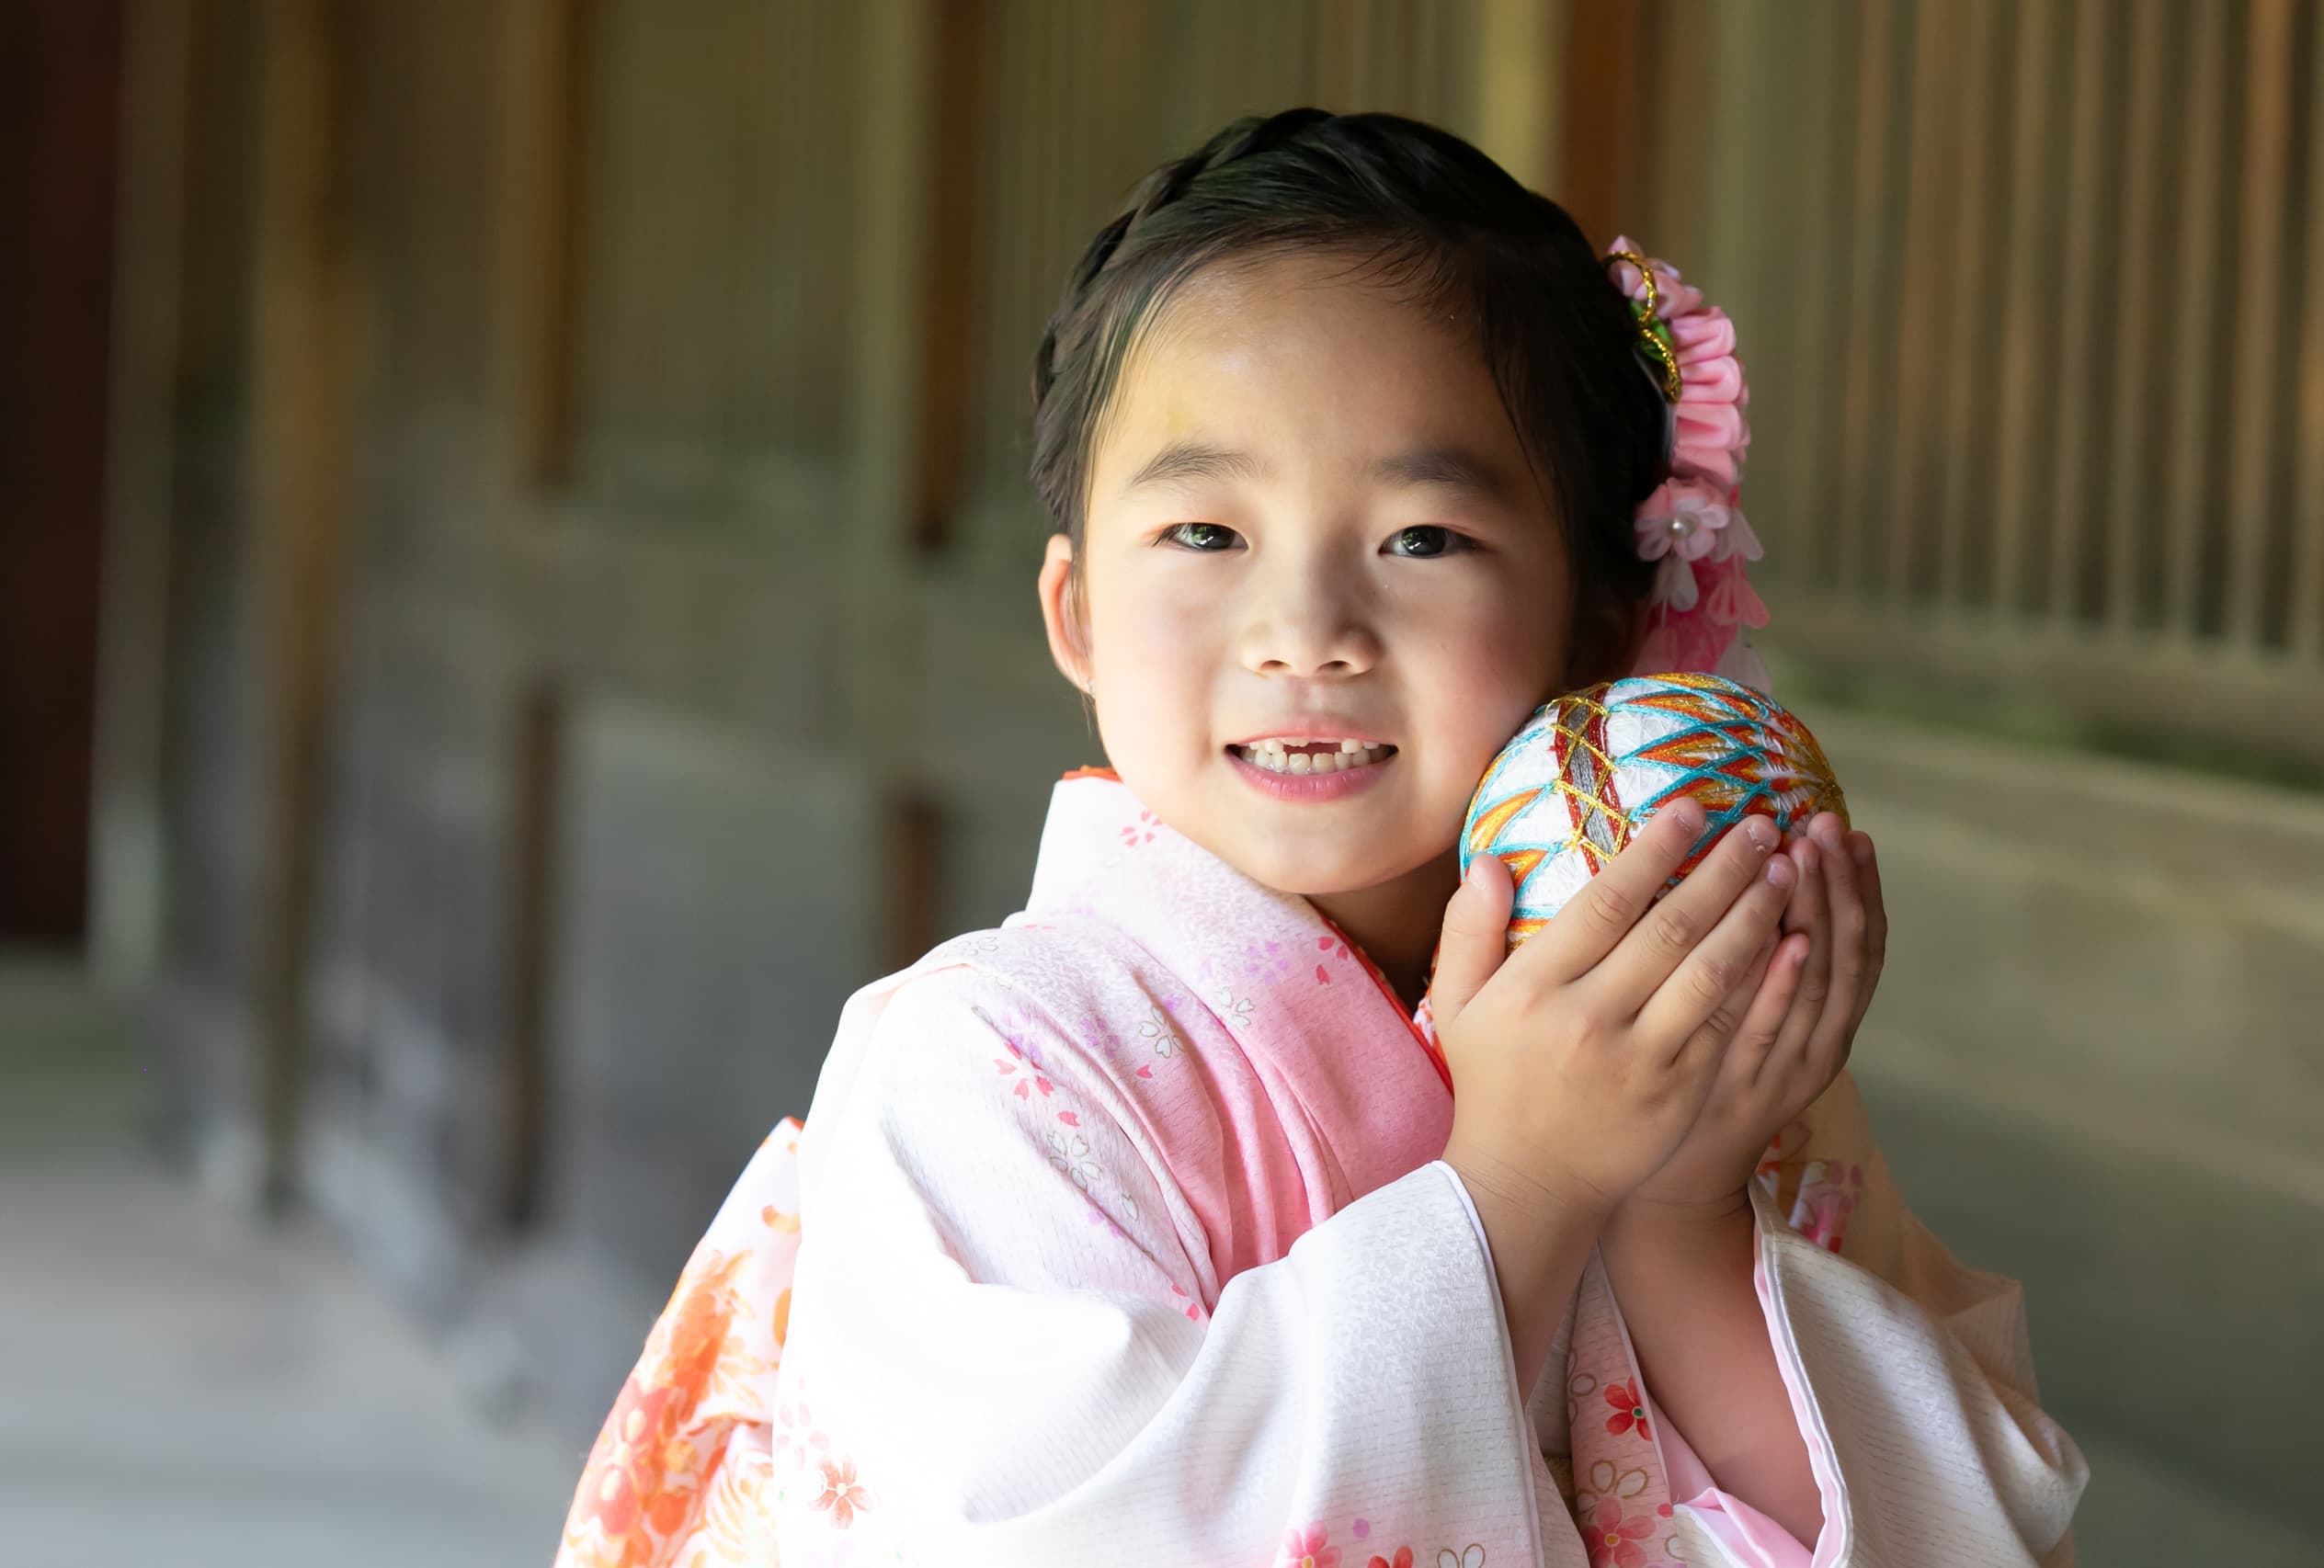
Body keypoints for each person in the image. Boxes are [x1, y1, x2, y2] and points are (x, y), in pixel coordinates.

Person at [553, 108, 2087, 1568]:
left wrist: (1683, 1219)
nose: (1306, 630)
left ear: (1604, 625)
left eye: (1423, 537)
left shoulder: (1686, 1033)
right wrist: (1518, 1186)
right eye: (1206, 532)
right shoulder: (993, 1061)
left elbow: (1966, 1534)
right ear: (1076, 610)